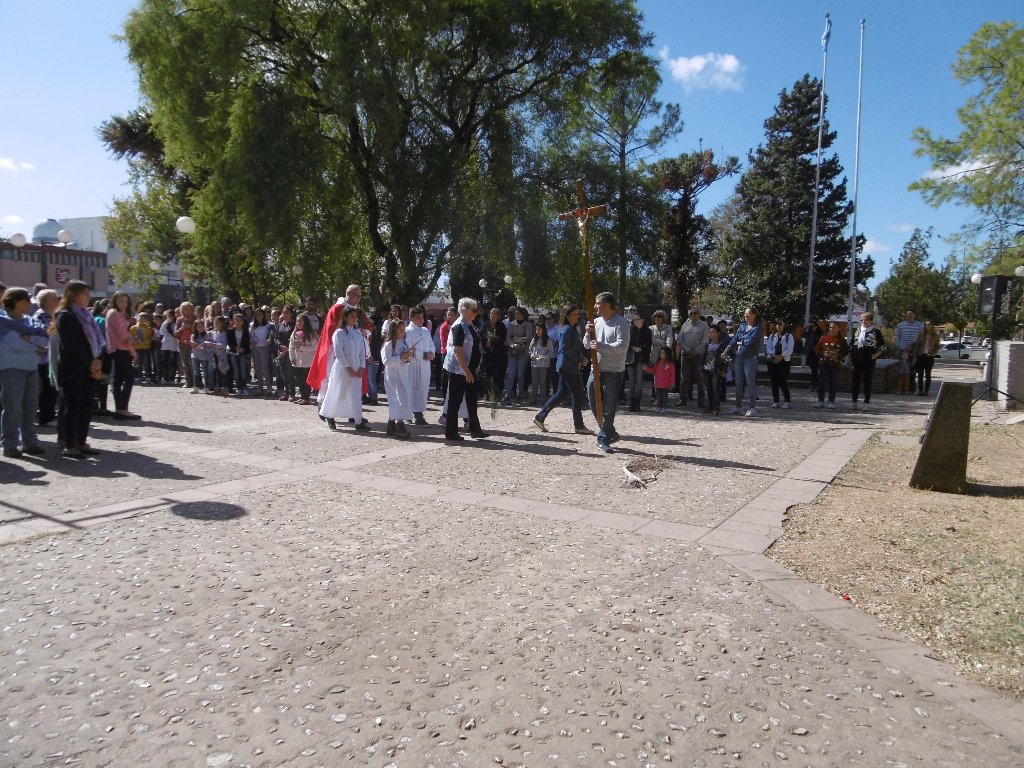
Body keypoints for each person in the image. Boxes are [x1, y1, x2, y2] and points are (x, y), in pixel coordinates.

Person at [52, 281, 105, 458]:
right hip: (73, 368)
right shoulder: (65, 315)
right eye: (85, 293)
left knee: (86, 405)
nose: (89, 297)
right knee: (72, 406)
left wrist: (98, 361)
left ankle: (81, 441)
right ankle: (69, 443)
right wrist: (91, 361)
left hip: (90, 367)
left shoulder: (87, 315)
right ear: (74, 295)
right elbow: (72, 344)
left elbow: (97, 341)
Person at [0, 288, 48, 457]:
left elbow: (45, 339)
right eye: (25, 300)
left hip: (31, 368)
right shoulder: (2, 321)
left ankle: (29, 442)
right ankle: (10, 444)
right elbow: (15, 343)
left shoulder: (30, 321)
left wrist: (30, 339)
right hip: (11, 369)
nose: (29, 303)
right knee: (12, 408)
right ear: (14, 301)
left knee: (30, 407)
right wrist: (36, 348)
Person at [533, 304, 592, 434]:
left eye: (578, 314)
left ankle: (540, 417)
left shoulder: (571, 328)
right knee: (577, 395)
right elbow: (564, 349)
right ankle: (579, 426)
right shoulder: (567, 329)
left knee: (561, 393)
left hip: (568, 366)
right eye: (575, 314)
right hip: (568, 366)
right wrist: (580, 359)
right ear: (567, 316)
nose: (577, 316)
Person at [584, 291, 629, 454]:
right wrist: (587, 333)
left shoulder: (621, 323)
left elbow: (622, 346)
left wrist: (601, 346)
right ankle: (610, 432)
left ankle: (602, 438)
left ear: (607, 305)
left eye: (598, 303)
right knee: (593, 401)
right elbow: (587, 345)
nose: (595, 306)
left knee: (609, 407)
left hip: (613, 371)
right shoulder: (595, 322)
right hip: (595, 369)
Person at [319, 306, 370, 432]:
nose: (355, 318)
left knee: (356, 394)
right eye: (352, 316)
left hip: (357, 366)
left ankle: (358, 420)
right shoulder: (339, 333)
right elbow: (339, 352)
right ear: (345, 317)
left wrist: (361, 367)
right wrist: (348, 367)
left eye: (356, 316)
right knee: (337, 391)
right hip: (342, 368)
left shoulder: (357, 333)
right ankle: (329, 415)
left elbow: (362, 352)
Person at [443, 297, 487, 441]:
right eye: (473, 310)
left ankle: (475, 429)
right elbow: (457, 349)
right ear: (464, 310)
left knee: (472, 399)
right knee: (454, 401)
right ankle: (451, 432)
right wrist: (466, 371)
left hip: (469, 369)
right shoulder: (459, 326)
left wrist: (476, 365)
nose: (476, 313)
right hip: (458, 370)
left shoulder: (469, 325)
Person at [105, 291, 141, 420]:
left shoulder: (116, 314)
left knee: (119, 379)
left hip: (116, 348)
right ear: (114, 301)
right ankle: (122, 409)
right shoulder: (114, 313)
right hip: (120, 349)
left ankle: (120, 409)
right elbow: (123, 336)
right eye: (120, 301)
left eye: (125, 302)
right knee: (129, 378)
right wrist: (132, 349)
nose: (123, 304)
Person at [724, 306, 764, 417]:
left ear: (754, 314)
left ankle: (752, 408)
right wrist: (727, 349)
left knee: (750, 383)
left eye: (748, 313)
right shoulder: (742, 326)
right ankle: (738, 407)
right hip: (739, 356)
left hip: (750, 357)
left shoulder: (758, 328)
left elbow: (750, 340)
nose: (745, 315)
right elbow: (735, 338)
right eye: (745, 313)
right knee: (738, 382)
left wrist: (740, 342)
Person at [381, 320, 414, 438]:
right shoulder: (388, 345)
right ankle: (394, 425)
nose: (403, 332)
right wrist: (400, 357)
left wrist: (408, 355)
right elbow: (386, 361)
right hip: (393, 376)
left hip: (403, 375)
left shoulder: (405, 342)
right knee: (395, 399)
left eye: (404, 330)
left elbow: (406, 359)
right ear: (394, 331)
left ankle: (397, 424)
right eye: (401, 330)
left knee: (403, 398)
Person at [32, 289, 59, 427]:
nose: (57, 301)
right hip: (44, 358)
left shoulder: (54, 315)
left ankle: (49, 414)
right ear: (45, 301)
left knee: (52, 387)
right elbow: (44, 335)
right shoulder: (40, 315)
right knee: (48, 388)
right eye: (54, 298)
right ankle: (46, 417)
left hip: (52, 356)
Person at [404, 306, 434, 424]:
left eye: (422, 317)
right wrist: (422, 355)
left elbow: (431, 344)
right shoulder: (407, 331)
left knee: (423, 388)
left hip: (425, 365)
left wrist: (431, 353)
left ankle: (419, 411)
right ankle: (412, 413)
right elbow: (408, 348)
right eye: (418, 318)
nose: (421, 320)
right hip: (413, 364)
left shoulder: (425, 330)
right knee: (412, 387)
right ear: (411, 318)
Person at [675, 308, 709, 408]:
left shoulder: (704, 325)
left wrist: (695, 351)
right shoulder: (685, 324)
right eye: (691, 313)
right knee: (684, 378)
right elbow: (680, 339)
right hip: (685, 355)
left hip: (698, 355)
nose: (693, 315)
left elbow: (705, 341)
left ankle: (701, 401)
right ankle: (682, 399)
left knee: (699, 379)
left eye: (695, 313)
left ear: (699, 314)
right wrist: (687, 350)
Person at [850, 312, 886, 410]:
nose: (863, 322)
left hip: (868, 360)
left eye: (865, 320)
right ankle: (854, 402)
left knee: (867, 381)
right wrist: (850, 358)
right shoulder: (857, 331)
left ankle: (866, 403)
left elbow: (882, 346)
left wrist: (876, 355)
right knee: (855, 381)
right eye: (861, 320)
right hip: (856, 359)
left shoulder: (875, 332)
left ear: (870, 321)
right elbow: (851, 345)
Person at [814, 321, 849, 409]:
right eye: (831, 327)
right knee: (821, 382)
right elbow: (817, 349)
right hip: (823, 363)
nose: (832, 329)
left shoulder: (841, 339)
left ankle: (831, 401)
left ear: (838, 328)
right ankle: (820, 401)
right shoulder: (824, 337)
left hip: (834, 364)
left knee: (833, 382)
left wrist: (837, 356)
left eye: (834, 327)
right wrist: (823, 354)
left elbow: (845, 351)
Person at [502, 306, 531, 405]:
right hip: (512, 352)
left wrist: (518, 340)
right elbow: (508, 337)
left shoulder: (528, 324)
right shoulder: (511, 324)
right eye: (515, 313)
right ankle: (508, 395)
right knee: (511, 374)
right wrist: (513, 345)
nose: (516, 315)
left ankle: (520, 393)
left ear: (523, 314)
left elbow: (528, 337)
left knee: (520, 374)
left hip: (523, 352)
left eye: (518, 313)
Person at [289, 313, 319, 404]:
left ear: (305, 322)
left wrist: (302, 348)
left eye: (300, 321)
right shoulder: (294, 333)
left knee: (306, 380)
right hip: (297, 361)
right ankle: (302, 396)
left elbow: (315, 347)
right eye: (297, 321)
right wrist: (292, 357)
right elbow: (291, 346)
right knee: (300, 380)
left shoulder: (312, 334)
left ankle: (306, 398)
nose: (298, 323)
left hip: (307, 361)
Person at [766, 319, 795, 410]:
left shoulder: (789, 336)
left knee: (783, 381)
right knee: (774, 381)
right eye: (777, 324)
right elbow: (768, 347)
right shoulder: (772, 336)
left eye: (780, 324)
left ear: (784, 325)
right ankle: (776, 401)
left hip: (784, 361)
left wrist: (781, 356)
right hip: (773, 360)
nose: (779, 326)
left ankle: (787, 401)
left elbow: (790, 349)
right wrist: (773, 355)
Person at [625, 313, 651, 412]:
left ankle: (637, 402)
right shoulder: (630, 330)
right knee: (631, 382)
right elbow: (626, 344)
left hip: (641, 359)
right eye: (634, 319)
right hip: (631, 359)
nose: (635, 321)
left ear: (642, 320)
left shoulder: (647, 331)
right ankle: (632, 402)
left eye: (637, 319)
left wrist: (646, 362)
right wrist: (633, 348)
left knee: (639, 382)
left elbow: (648, 347)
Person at [894, 310, 923, 394]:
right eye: (907, 314)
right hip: (902, 350)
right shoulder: (901, 325)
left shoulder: (920, 325)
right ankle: (900, 388)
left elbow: (921, 338)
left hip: (914, 351)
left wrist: (917, 348)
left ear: (915, 315)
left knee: (912, 370)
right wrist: (898, 348)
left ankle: (910, 388)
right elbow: (898, 337)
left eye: (911, 314)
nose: (909, 316)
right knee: (902, 371)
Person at [702, 326, 728, 416]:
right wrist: (700, 369)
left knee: (715, 388)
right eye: (709, 332)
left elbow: (725, 359)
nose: (710, 334)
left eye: (713, 332)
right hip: (706, 370)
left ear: (718, 333)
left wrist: (723, 369)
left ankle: (716, 407)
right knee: (708, 388)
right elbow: (702, 358)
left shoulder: (722, 346)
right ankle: (710, 405)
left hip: (716, 370)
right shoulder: (706, 345)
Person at [648, 310, 672, 403]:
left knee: (664, 375)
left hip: (664, 355)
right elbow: (650, 339)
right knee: (655, 376)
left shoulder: (668, 328)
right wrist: (661, 342)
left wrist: (667, 350)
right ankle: (655, 395)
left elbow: (669, 339)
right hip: (654, 354)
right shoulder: (651, 328)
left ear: (663, 318)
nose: (657, 318)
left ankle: (663, 396)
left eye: (659, 317)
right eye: (655, 317)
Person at [912, 320, 941, 397]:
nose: (927, 325)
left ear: (932, 325)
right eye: (925, 324)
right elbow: (917, 345)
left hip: (929, 356)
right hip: (921, 355)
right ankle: (920, 391)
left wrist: (933, 353)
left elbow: (938, 346)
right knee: (920, 374)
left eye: (928, 324)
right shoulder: (921, 334)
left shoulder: (935, 335)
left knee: (928, 375)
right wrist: (915, 356)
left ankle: (926, 391)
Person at [249, 306, 273, 395]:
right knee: (257, 368)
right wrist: (251, 341)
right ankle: (260, 387)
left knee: (264, 368)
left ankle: (269, 388)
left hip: (264, 348)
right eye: (257, 314)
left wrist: (270, 339)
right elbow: (250, 336)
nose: (259, 316)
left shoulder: (269, 325)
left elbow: (271, 335)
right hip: (255, 348)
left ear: (264, 315)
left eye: (261, 314)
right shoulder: (252, 325)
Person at [644, 346, 676, 414]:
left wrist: (672, 383)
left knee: (664, 397)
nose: (661, 355)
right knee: (658, 397)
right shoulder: (657, 363)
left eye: (663, 353)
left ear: (667, 354)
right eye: (660, 353)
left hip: (666, 385)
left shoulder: (670, 364)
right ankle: (659, 407)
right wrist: (646, 369)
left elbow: (672, 375)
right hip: (658, 384)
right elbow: (653, 371)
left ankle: (664, 407)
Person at [226, 312, 251, 396]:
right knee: (236, 371)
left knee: (243, 371)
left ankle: (244, 387)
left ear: (243, 321)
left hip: (242, 354)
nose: (238, 322)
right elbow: (229, 342)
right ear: (233, 321)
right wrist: (236, 348)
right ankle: (238, 388)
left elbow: (247, 343)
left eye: (240, 320)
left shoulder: (246, 332)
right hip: (233, 353)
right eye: (236, 320)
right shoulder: (230, 331)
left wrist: (242, 349)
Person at [528, 321, 553, 405]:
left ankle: (543, 399)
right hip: (534, 364)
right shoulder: (534, 339)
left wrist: (545, 357)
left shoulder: (548, 340)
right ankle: (533, 398)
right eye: (536, 329)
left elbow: (551, 352)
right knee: (534, 381)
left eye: (539, 329)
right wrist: (532, 355)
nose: (537, 331)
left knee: (542, 382)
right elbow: (530, 350)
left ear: (543, 330)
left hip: (543, 364)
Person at [130, 312, 156, 384]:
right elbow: (130, 337)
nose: (141, 319)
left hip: (146, 348)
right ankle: (139, 377)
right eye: (140, 318)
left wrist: (146, 341)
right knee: (138, 363)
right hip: (137, 348)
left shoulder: (149, 328)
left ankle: (148, 377)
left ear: (146, 319)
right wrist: (134, 341)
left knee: (147, 363)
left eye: (143, 318)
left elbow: (151, 338)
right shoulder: (133, 328)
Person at [190, 319, 215, 393]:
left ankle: (206, 387)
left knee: (205, 372)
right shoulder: (193, 335)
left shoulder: (207, 334)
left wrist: (203, 345)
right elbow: (192, 344)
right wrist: (197, 346)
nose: (201, 328)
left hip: (205, 356)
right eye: (198, 326)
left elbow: (208, 343)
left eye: (202, 326)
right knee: (196, 372)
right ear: (195, 327)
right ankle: (196, 387)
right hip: (195, 355)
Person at [802, 318, 823, 390]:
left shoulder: (820, 333)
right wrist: (806, 327)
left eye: (814, 326)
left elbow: (821, 342)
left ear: (817, 326)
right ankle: (814, 385)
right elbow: (802, 334)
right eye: (812, 326)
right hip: (810, 353)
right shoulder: (809, 333)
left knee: (815, 370)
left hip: (816, 353)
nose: (813, 328)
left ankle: (814, 385)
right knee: (813, 370)